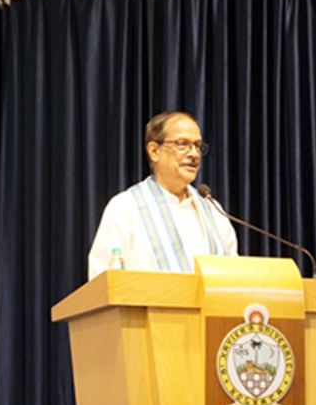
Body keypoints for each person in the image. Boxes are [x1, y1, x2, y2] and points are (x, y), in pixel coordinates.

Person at [88, 111, 239, 279]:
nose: (194, 154)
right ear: (154, 151)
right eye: (182, 144)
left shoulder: (213, 212)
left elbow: (234, 278)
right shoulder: (125, 208)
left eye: (197, 146)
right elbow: (102, 280)